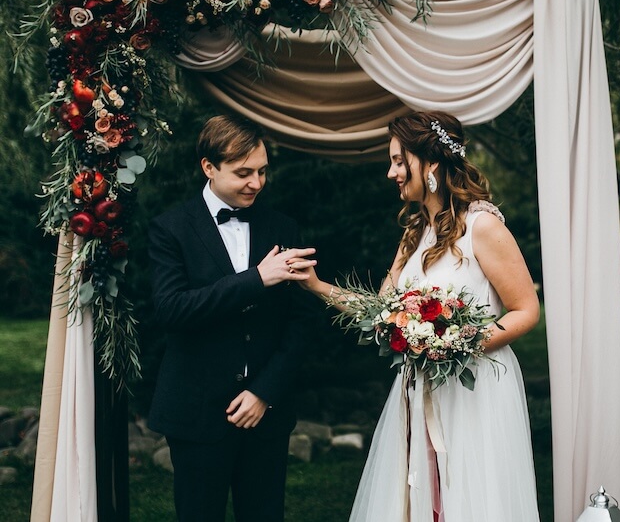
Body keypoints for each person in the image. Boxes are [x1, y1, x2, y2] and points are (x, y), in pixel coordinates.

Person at [298, 111, 541, 521]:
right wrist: (317, 285)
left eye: (398, 160)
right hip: (419, 390)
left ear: (431, 164)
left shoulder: (481, 225)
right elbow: (380, 312)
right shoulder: (414, 233)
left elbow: (526, 310)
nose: (391, 172)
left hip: (474, 391)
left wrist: (455, 344)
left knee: (472, 498)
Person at [146, 114, 318, 522]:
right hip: (196, 411)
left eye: (262, 171)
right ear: (209, 167)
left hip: (267, 413)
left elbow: (303, 322)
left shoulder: (282, 227)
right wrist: (257, 279)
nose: (256, 183)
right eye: (243, 173)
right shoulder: (170, 229)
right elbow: (172, 310)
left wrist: (265, 392)